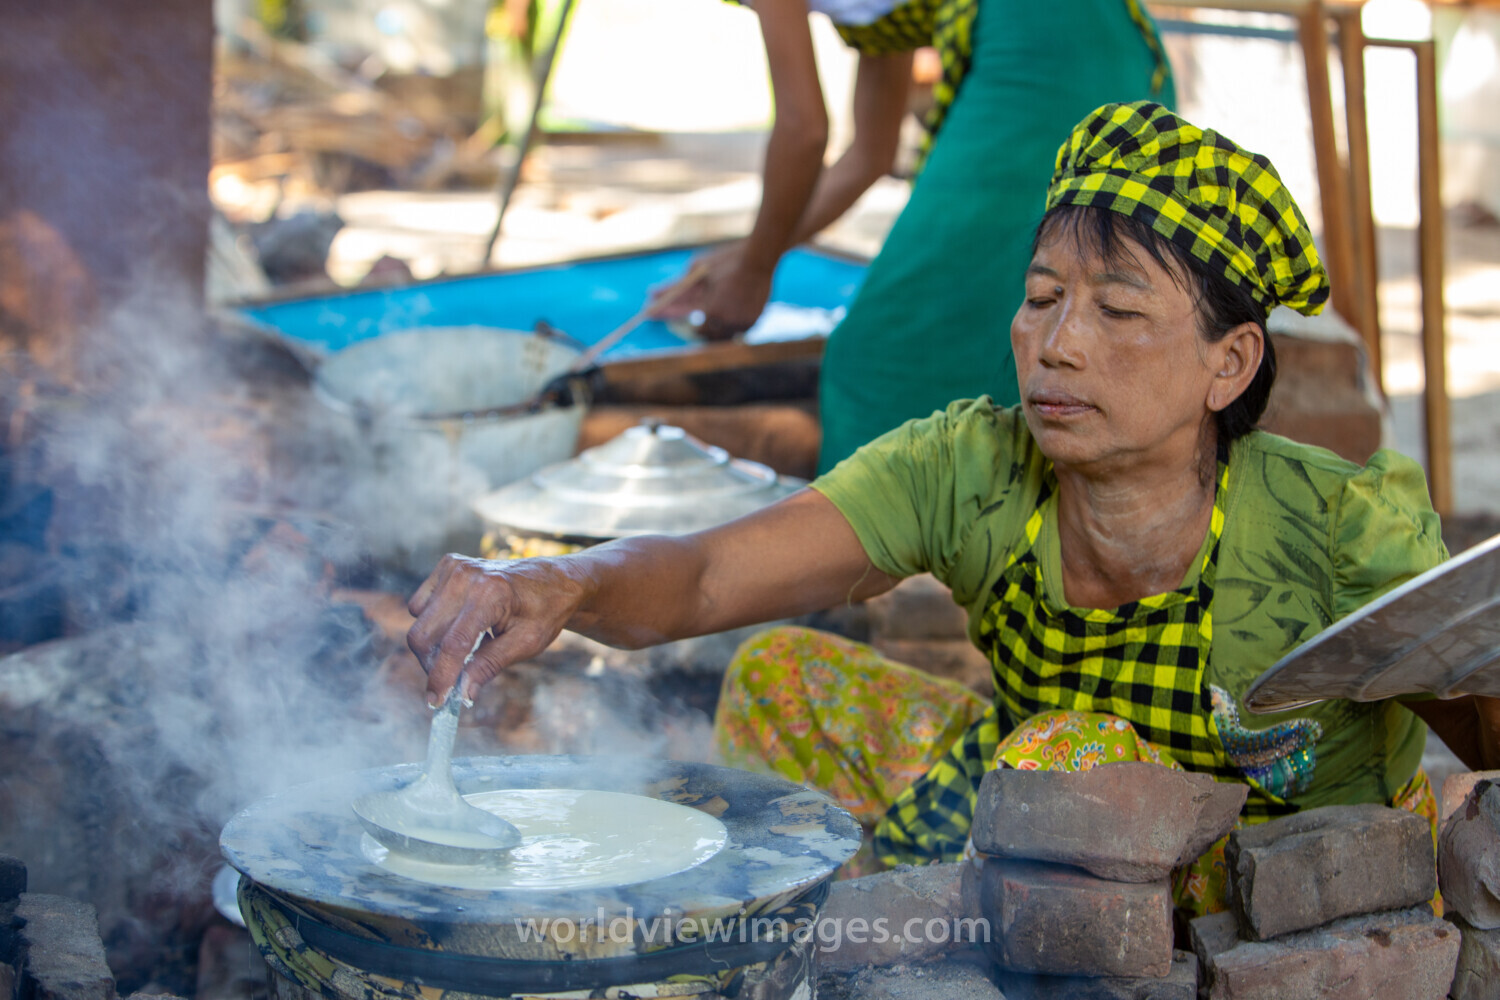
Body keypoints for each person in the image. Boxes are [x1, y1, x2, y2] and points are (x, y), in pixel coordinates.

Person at [409, 103, 1500, 917]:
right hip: (1045, 840)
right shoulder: (972, 465)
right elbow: (702, 576)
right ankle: (916, 931)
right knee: (786, 676)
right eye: (1041, 299)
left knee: (1070, 754)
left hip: (1283, 902)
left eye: (1118, 310)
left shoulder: (1339, 522)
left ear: (1231, 362)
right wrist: (561, 582)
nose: (1058, 343)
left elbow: (1475, 718)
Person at [650, 0, 1176, 472]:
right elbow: (868, 156)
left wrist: (754, 272)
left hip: (1046, 48)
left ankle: (866, 563)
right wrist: (748, 255)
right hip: (1098, 37)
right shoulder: (885, 16)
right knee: (1009, 325)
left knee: (878, 361)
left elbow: (803, 129)